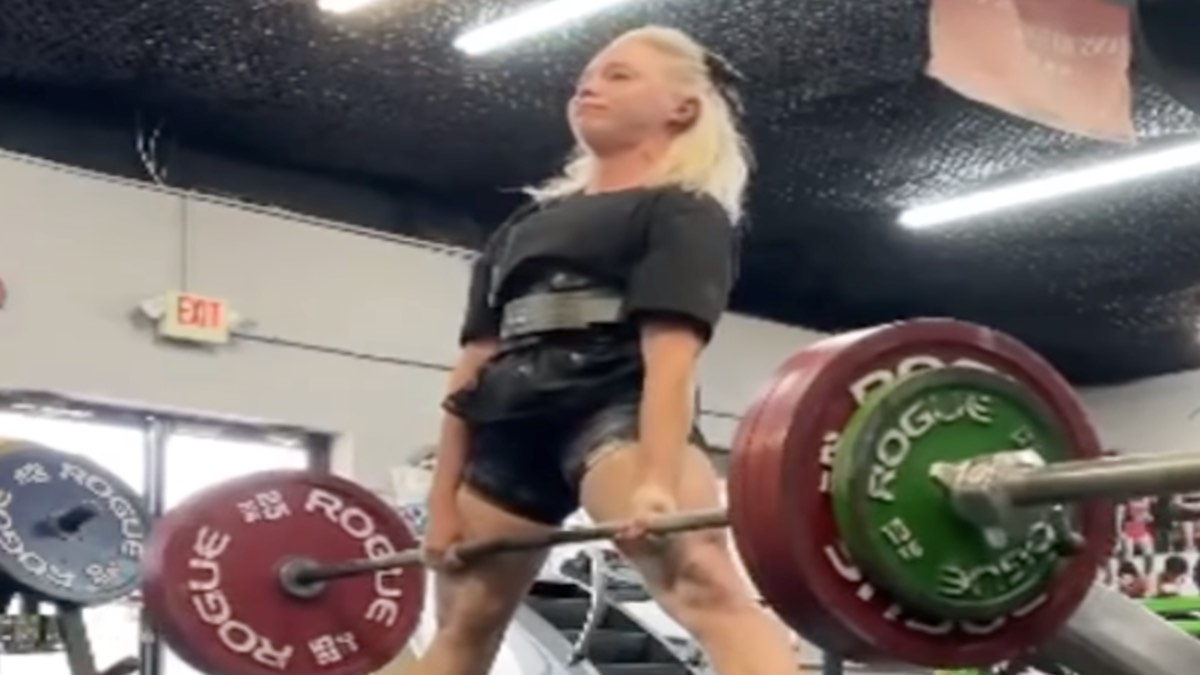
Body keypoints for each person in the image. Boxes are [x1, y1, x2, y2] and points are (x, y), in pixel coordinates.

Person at [410, 24, 798, 675]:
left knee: (705, 584)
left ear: (682, 107)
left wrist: (657, 482)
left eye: (619, 75)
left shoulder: (681, 210)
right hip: (510, 423)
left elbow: (671, 358)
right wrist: (441, 502)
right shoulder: (523, 226)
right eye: (585, 78)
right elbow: (473, 366)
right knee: (461, 627)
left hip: (612, 408)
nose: (588, 87)